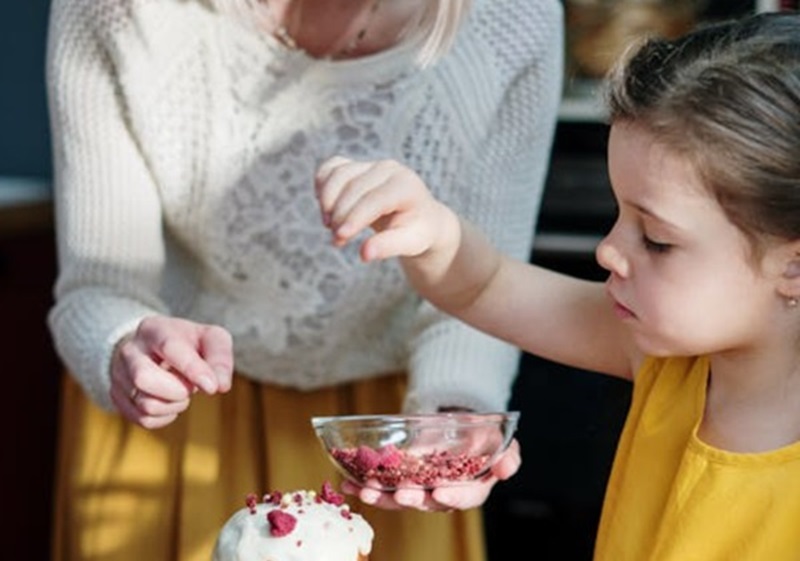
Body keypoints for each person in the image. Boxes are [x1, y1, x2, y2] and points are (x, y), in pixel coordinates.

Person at [45, 0, 563, 559]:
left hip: (390, 437)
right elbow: (97, 287)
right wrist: (125, 347)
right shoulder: (118, 11)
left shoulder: (514, 17)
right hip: (173, 414)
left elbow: (484, 290)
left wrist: (453, 423)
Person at [316, 11, 800, 559]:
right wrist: (432, 233)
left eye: (658, 239)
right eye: (620, 215)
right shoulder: (662, 359)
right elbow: (487, 288)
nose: (608, 250)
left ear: (794, 266)